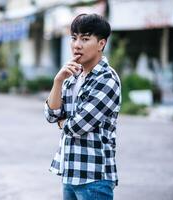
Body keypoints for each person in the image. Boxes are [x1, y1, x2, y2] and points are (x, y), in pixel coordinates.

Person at [44, 13, 121, 200]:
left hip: (94, 178)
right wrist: (58, 80)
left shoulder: (107, 79)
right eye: (74, 38)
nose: (77, 44)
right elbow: (51, 114)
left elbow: (77, 126)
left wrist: (63, 123)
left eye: (85, 39)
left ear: (101, 44)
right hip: (70, 172)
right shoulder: (73, 75)